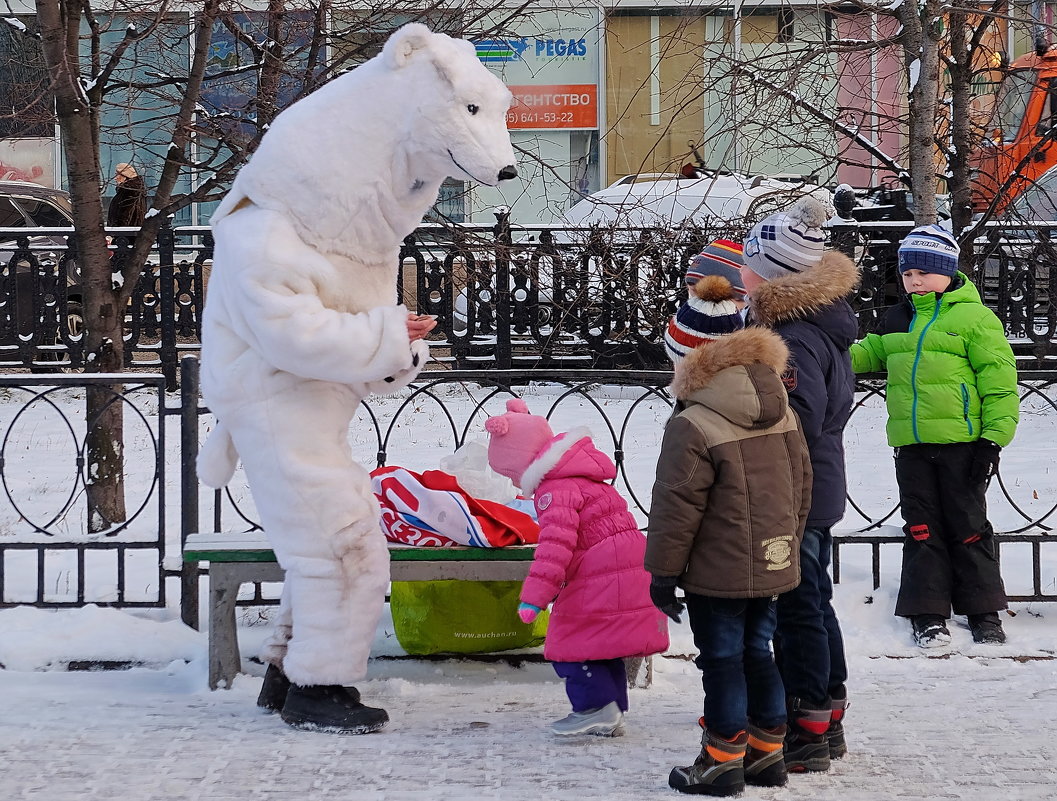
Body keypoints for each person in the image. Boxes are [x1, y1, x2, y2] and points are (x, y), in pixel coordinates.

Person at [646, 274, 812, 795]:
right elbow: (803, 482)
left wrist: (663, 574)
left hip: (716, 570)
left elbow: (677, 507)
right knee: (757, 651)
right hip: (773, 559)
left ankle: (721, 760)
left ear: (690, 361)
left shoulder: (693, 423)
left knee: (721, 660)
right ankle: (766, 754)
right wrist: (785, 544)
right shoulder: (779, 405)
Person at [849, 225, 1018, 648]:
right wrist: (823, 348)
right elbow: (871, 353)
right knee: (921, 527)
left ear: (948, 271)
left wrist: (993, 439)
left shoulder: (974, 318)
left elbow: (999, 381)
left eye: (925, 272)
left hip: (965, 444)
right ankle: (926, 613)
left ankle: (983, 613)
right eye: (908, 274)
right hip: (913, 446)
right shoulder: (899, 317)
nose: (915, 280)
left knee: (969, 526)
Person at [740, 195, 860, 772]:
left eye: (749, 262)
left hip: (796, 486)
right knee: (812, 600)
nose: (739, 270)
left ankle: (808, 723)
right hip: (812, 481)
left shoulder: (792, 335)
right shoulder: (807, 325)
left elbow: (796, 413)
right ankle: (825, 715)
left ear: (773, 274)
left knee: (798, 605)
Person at [484, 398, 669, 737]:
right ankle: (609, 709)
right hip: (624, 565)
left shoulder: (554, 492)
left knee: (570, 644)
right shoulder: (579, 476)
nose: (514, 485)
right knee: (602, 642)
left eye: (511, 475)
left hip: (601, 571)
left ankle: (594, 708)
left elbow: (555, 550)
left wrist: (534, 599)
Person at [106, 162, 147, 228]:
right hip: (125, 234)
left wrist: (116, 232)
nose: (115, 178)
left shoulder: (131, 192)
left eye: (117, 175)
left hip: (126, 235)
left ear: (125, 176)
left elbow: (126, 216)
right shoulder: (127, 191)